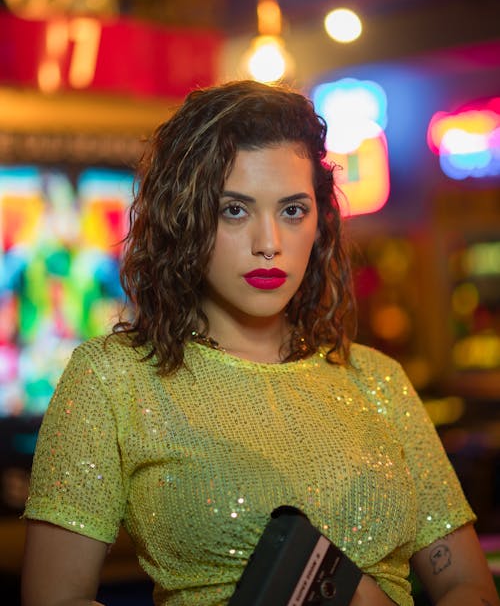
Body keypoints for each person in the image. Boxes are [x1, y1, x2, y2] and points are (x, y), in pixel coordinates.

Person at [22, 80, 498, 606]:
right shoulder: (115, 377)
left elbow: (467, 585)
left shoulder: (377, 379)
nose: (269, 243)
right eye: (235, 210)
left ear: (319, 221)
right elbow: (54, 599)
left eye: (292, 210)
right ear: (184, 218)